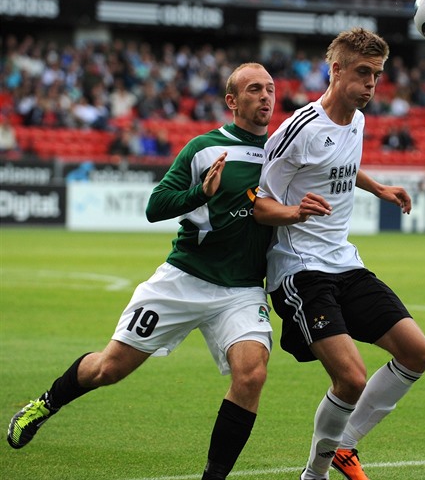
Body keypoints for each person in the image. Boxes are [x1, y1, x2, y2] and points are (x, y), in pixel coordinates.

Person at [7, 63, 277, 480]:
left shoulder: (282, 152)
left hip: (241, 290)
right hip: (184, 278)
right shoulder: (205, 148)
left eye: (270, 89)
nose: (265, 97)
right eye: (255, 89)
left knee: (252, 374)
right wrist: (199, 192)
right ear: (232, 101)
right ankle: (45, 403)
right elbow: (155, 207)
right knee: (108, 369)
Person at [253, 28, 425, 480]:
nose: (372, 84)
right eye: (363, 73)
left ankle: (345, 445)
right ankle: (314, 474)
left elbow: (341, 167)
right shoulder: (297, 130)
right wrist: (294, 213)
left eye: (376, 75)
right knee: (351, 379)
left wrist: (378, 188)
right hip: (300, 271)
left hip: (345, 263)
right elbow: (258, 203)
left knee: (417, 352)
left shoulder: (357, 119)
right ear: (335, 70)